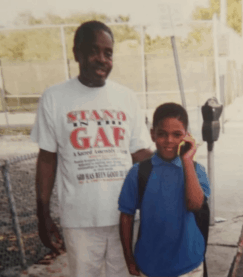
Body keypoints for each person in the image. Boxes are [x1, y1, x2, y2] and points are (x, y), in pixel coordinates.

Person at [31, 20, 153, 277]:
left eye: (108, 53)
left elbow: (140, 154)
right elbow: (47, 159)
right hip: (80, 220)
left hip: (126, 215)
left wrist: (177, 166)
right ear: (77, 53)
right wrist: (43, 214)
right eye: (93, 51)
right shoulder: (54, 97)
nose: (101, 59)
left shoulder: (126, 97)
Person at [118, 102, 211, 277]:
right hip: (150, 266)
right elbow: (126, 216)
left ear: (186, 136)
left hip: (189, 266)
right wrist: (128, 258)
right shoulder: (139, 172)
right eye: (162, 134)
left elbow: (195, 204)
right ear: (152, 134)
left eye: (177, 135)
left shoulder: (196, 170)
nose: (169, 141)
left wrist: (187, 161)